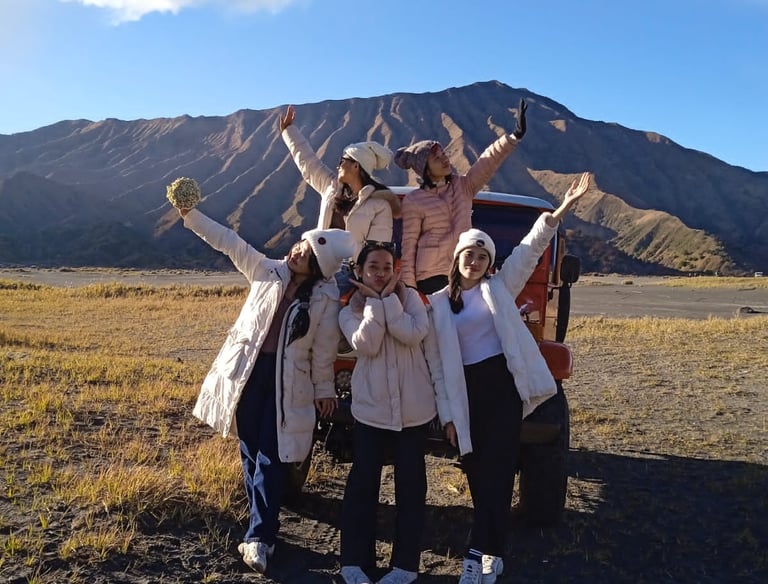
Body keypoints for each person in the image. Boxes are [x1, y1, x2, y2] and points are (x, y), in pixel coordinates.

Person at [428, 172, 591, 584]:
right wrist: (447, 414)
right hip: (464, 394)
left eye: (483, 255)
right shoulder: (436, 306)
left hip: (502, 389)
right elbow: (436, 367)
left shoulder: (500, 288)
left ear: (489, 262)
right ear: (457, 258)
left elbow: (530, 248)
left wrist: (563, 207)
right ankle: (494, 552)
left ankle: (475, 556)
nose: (475, 260)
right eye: (469, 253)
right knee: (477, 473)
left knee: (498, 471)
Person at [177, 204, 355, 574]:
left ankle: (260, 536)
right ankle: (264, 524)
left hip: (286, 380)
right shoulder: (265, 270)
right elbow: (229, 242)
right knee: (250, 448)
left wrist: (324, 390)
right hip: (247, 372)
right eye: (299, 246)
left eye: (306, 255)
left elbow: (323, 351)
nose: (296, 252)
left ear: (317, 268)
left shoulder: (322, 300)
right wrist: (190, 215)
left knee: (272, 456)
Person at [337, 241, 442, 584]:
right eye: (373, 268)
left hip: (413, 412)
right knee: (361, 487)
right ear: (360, 272)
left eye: (386, 267)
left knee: (410, 490)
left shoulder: (410, 298)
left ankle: (405, 566)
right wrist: (375, 305)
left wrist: (385, 301)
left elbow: (413, 335)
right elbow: (366, 343)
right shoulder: (349, 310)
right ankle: (354, 562)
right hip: (371, 411)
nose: (381, 273)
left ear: (395, 270)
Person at [394, 99, 528, 294]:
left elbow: (487, 162)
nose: (445, 159)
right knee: (441, 322)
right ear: (424, 168)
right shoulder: (414, 200)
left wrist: (513, 137)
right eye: (437, 158)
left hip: (463, 270)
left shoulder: (463, 186)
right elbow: (409, 245)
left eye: (444, 154)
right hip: (431, 275)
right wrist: (409, 287)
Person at [279, 105, 401, 267]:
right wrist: (289, 132)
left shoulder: (379, 205)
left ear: (356, 166)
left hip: (352, 275)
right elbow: (308, 163)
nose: (338, 166)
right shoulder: (331, 188)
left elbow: (377, 252)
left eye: (342, 162)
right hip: (318, 268)